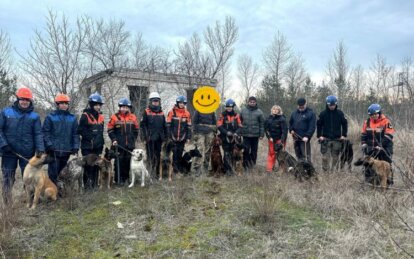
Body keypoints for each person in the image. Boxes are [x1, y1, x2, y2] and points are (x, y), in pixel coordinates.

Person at [0, 87, 44, 205]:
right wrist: (3, 144)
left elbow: (38, 134)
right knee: (8, 178)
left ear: (30, 101)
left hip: (27, 153)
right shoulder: (6, 112)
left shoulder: (34, 117)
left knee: (29, 178)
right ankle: (7, 204)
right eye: (22, 99)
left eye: (27, 100)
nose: (24, 102)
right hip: (9, 152)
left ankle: (30, 201)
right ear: (18, 99)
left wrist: (40, 148)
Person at [42, 94, 80, 185]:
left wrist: (75, 146)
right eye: (62, 103)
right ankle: (51, 194)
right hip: (53, 151)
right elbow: (45, 133)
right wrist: (49, 145)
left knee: (63, 174)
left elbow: (75, 134)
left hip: (67, 151)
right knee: (53, 174)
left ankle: (61, 193)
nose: (64, 105)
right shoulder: (50, 117)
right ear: (58, 104)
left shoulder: (72, 118)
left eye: (66, 103)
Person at [107, 97, 139, 185]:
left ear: (128, 108)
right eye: (122, 107)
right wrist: (114, 139)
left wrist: (133, 139)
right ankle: (118, 180)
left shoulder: (133, 117)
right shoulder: (114, 117)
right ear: (119, 107)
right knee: (119, 162)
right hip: (118, 145)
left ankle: (126, 179)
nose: (124, 109)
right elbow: (110, 130)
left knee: (128, 161)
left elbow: (136, 130)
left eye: (126, 107)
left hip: (129, 145)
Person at [361, 103, 395, 184]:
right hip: (371, 147)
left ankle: (389, 182)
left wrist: (380, 145)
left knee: (386, 165)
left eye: (375, 114)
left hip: (385, 147)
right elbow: (363, 134)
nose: (373, 116)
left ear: (379, 113)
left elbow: (389, 135)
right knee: (368, 165)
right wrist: (364, 143)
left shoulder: (386, 121)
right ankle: (370, 182)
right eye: (371, 115)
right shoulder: (367, 122)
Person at [78, 92, 104, 189]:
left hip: (98, 146)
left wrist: (101, 143)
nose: (98, 107)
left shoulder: (101, 116)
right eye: (96, 105)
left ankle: (95, 185)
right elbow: (80, 130)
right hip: (87, 147)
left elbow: (101, 131)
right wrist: (90, 138)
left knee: (96, 166)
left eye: (99, 105)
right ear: (91, 105)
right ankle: (87, 186)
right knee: (88, 166)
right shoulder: (85, 116)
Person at [316, 95, 348, 172]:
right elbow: (319, 125)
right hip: (325, 139)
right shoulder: (323, 114)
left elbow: (344, 124)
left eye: (333, 105)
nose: (332, 107)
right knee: (325, 157)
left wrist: (343, 135)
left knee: (335, 157)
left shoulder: (340, 113)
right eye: (330, 105)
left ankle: (334, 172)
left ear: (336, 104)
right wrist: (319, 136)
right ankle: (325, 172)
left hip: (337, 139)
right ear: (327, 104)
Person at [140, 92, 167, 178]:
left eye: (157, 101)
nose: (155, 102)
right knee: (150, 157)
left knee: (158, 156)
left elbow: (165, 126)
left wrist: (166, 136)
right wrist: (144, 137)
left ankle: (157, 173)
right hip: (150, 138)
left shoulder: (162, 113)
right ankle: (150, 173)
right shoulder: (146, 112)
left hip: (159, 138)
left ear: (159, 102)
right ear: (151, 102)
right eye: (154, 101)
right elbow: (142, 126)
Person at [166, 95, 192, 175]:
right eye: (180, 103)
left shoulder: (187, 113)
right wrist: (169, 136)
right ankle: (173, 170)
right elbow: (168, 125)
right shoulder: (171, 112)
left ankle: (178, 169)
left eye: (183, 103)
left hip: (182, 137)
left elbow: (189, 127)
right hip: (173, 137)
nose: (182, 104)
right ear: (177, 103)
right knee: (174, 153)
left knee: (180, 153)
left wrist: (188, 137)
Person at [217, 99, 242, 176]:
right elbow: (219, 126)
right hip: (225, 137)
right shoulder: (222, 115)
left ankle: (233, 169)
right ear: (226, 107)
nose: (229, 108)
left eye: (230, 107)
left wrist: (236, 133)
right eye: (227, 107)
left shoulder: (236, 115)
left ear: (233, 107)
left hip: (234, 137)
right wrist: (226, 132)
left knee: (233, 153)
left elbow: (240, 126)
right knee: (226, 153)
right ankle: (227, 170)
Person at [240, 96, 265, 172]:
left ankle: (252, 165)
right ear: (248, 102)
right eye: (251, 102)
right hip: (245, 134)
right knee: (246, 150)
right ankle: (245, 165)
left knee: (254, 151)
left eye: (254, 102)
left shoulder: (259, 112)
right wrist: (239, 132)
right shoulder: (243, 111)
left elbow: (262, 124)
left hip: (255, 135)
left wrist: (261, 134)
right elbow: (239, 122)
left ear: (255, 102)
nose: (252, 103)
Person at [289, 97, 316, 162]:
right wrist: (291, 130)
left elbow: (312, 127)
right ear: (297, 105)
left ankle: (308, 170)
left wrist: (307, 136)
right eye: (300, 106)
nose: (301, 107)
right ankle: (300, 169)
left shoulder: (311, 113)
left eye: (302, 106)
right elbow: (290, 123)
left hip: (304, 139)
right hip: (295, 138)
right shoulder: (294, 113)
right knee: (298, 155)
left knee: (306, 156)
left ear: (305, 104)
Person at [191, 110, 216, 176]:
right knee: (199, 150)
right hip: (200, 132)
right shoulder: (198, 110)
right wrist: (195, 132)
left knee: (208, 151)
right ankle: (197, 169)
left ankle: (206, 167)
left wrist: (214, 132)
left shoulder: (212, 110)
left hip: (209, 132)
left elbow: (214, 122)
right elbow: (194, 122)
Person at [264, 105, 288, 173]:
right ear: (272, 110)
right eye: (274, 109)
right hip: (271, 139)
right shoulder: (268, 119)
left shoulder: (282, 119)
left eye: (277, 109)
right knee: (271, 153)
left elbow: (284, 131)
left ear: (279, 111)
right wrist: (269, 137)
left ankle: (282, 169)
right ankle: (269, 168)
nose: (275, 110)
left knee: (281, 154)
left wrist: (282, 140)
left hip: (280, 139)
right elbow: (266, 129)